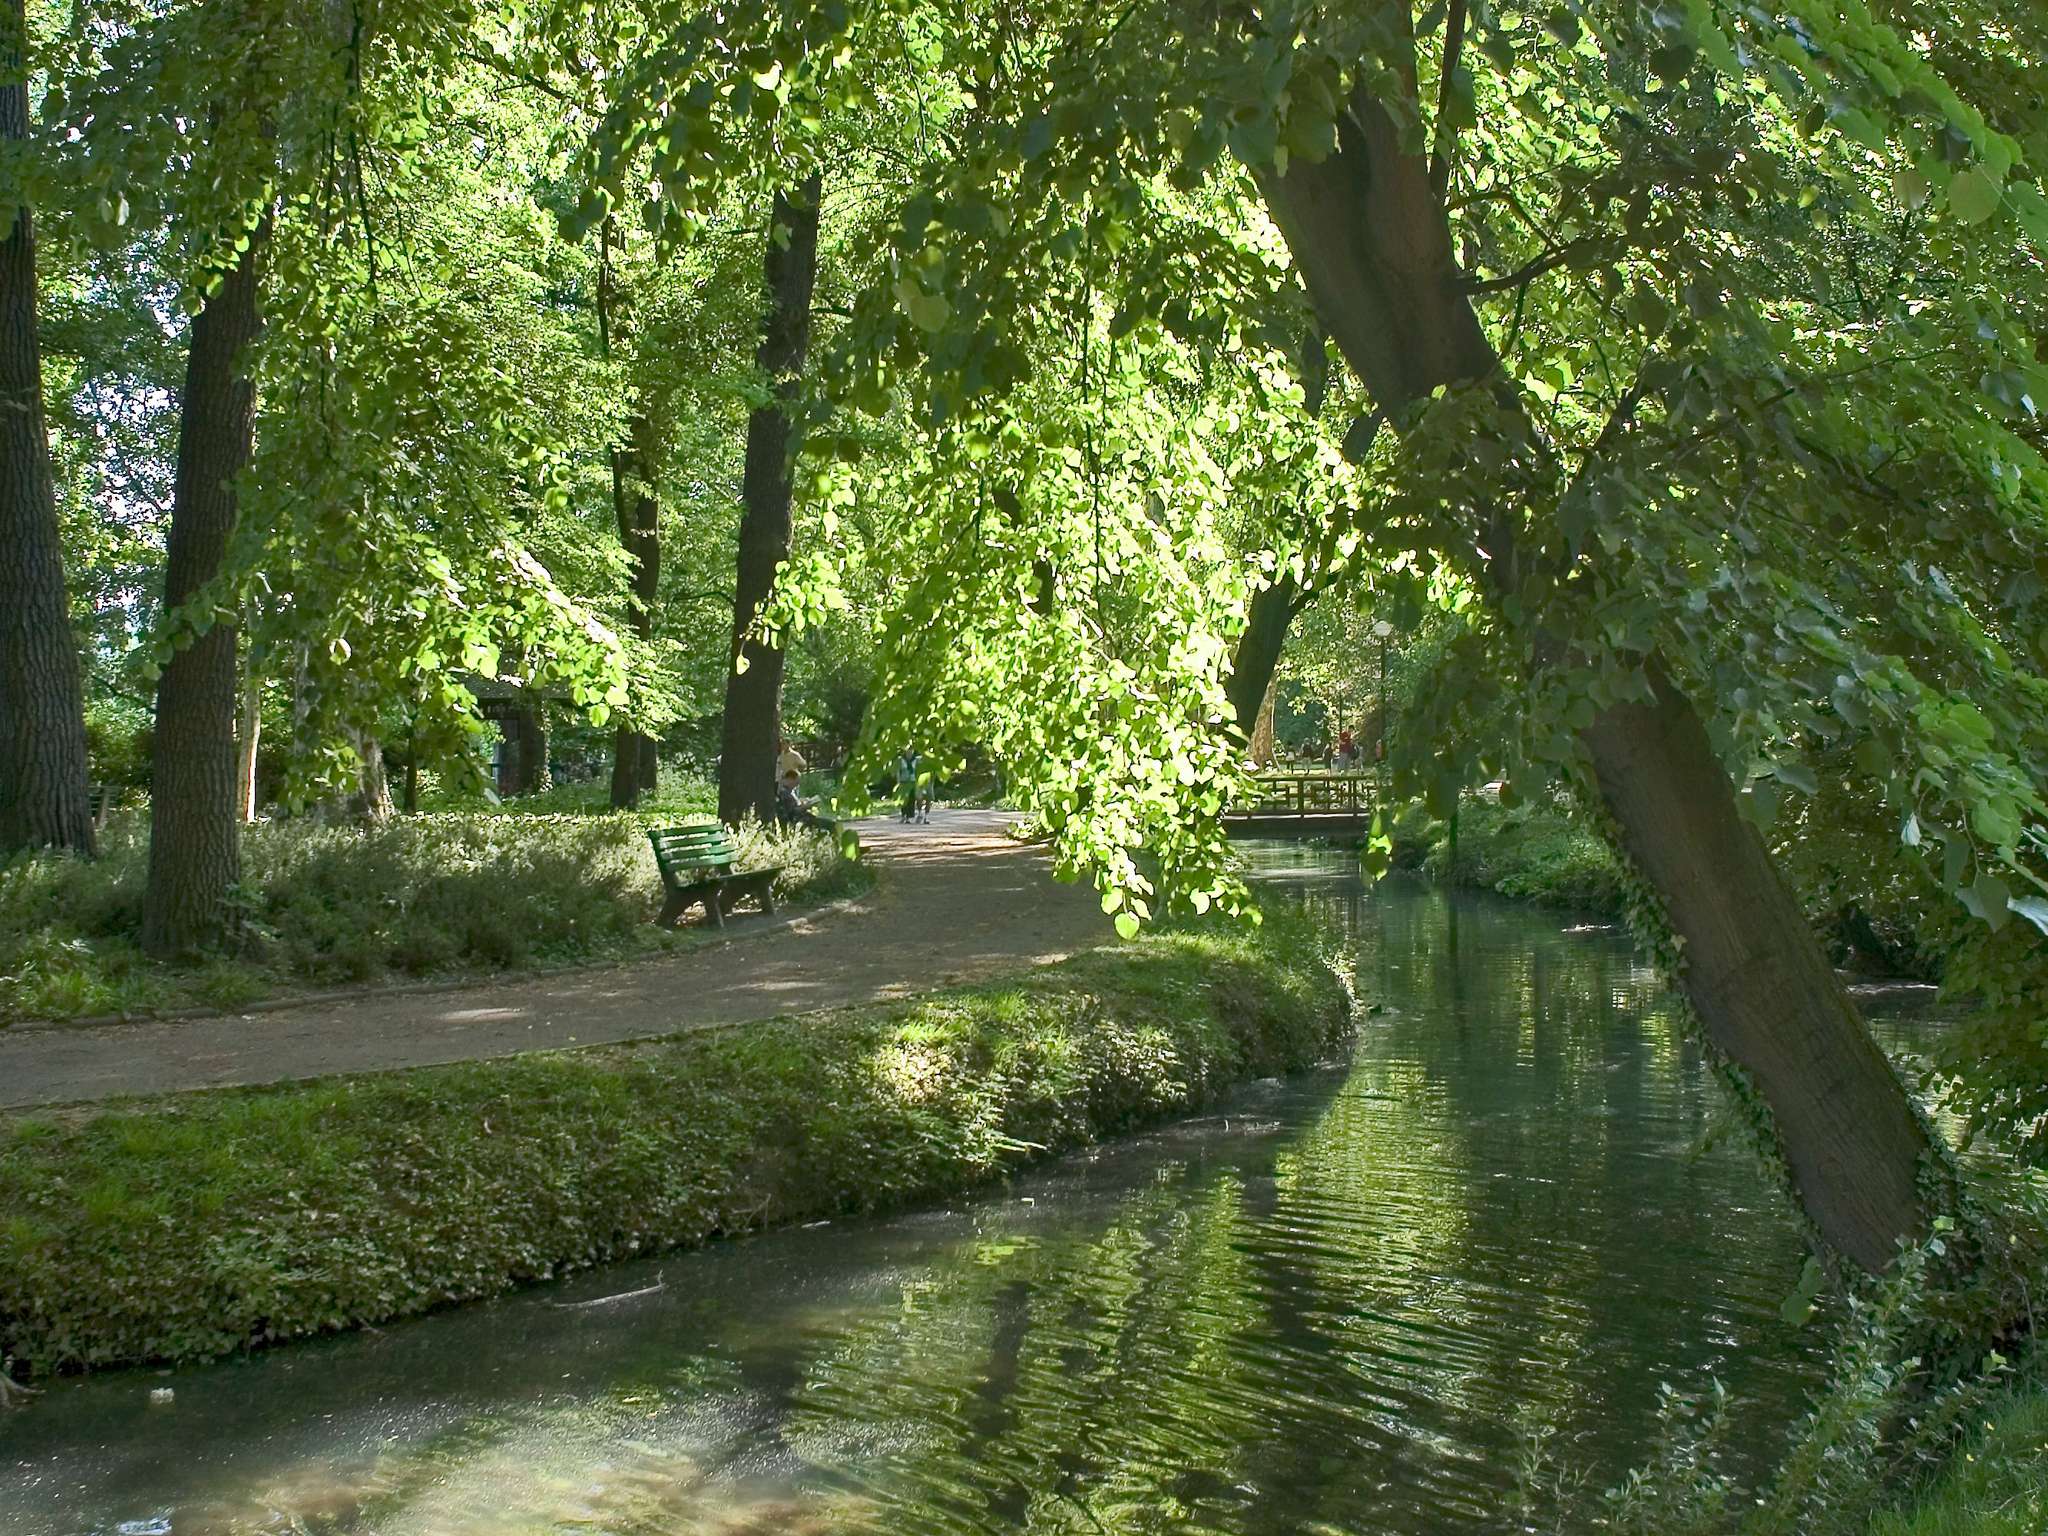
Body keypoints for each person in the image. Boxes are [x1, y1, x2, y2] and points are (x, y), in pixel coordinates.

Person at [895, 748, 919, 824]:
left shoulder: (916, 760)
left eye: (911, 750)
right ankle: (903, 816)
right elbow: (898, 771)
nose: (909, 752)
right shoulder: (901, 759)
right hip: (904, 781)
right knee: (904, 800)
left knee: (911, 800)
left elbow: (918, 771)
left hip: (912, 781)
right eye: (908, 750)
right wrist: (898, 782)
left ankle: (908, 817)